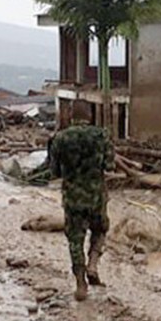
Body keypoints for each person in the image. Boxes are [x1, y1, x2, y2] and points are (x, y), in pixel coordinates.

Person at [48, 125, 114, 301]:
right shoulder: (101, 135)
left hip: (73, 198)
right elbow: (110, 166)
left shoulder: (60, 138)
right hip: (96, 196)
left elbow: (54, 172)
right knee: (100, 230)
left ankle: (80, 283)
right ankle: (93, 264)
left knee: (75, 240)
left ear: (71, 115)